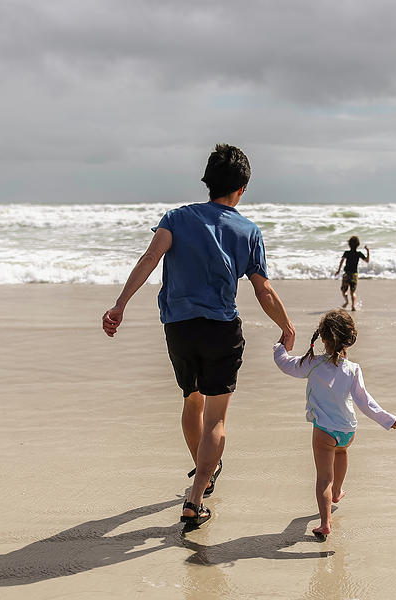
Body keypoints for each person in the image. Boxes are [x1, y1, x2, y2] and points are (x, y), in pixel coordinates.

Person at [102, 143, 296, 528]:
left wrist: (119, 305)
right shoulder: (248, 231)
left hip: (179, 328)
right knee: (217, 421)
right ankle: (195, 496)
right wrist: (286, 327)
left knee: (192, 402)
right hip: (221, 330)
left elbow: (149, 260)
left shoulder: (176, 218)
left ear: (208, 182)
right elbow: (264, 291)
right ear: (242, 187)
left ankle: (202, 471)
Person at [272, 309, 396, 540]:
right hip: (348, 429)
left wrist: (280, 347)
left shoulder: (312, 363)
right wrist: (387, 419)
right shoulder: (353, 369)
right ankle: (338, 492)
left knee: (323, 478)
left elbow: (285, 364)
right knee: (341, 454)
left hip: (324, 431)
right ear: (349, 338)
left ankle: (325, 523)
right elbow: (364, 401)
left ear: (322, 338)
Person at [334, 236, 369, 311]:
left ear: (349, 244)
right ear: (358, 245)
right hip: (354, 275)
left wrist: (338, 270)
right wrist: (367, 251)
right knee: (352, 292)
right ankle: (353, 306)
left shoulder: (346, 253)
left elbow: (341, 261)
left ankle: (347, 302)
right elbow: (367, 260)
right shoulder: (359, 254)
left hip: (347, 274)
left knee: (344, 290)